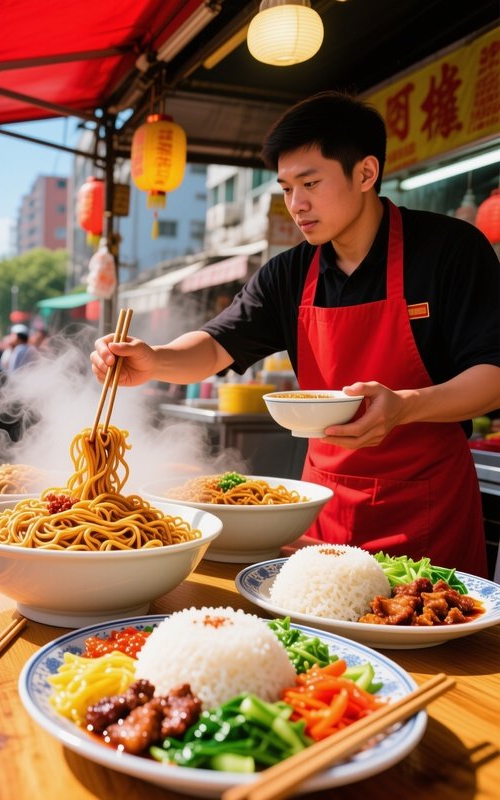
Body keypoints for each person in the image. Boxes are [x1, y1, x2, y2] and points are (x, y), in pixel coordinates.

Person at [91, 91, 500, 577]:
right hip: (322, 508)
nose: (296, 204)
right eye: (286, 188)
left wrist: (407, 406)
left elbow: (493, 374)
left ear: (366, 173)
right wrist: (155, 358)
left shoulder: (449, 250)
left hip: (427, 510)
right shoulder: (288, 273)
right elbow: (217, 344)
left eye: (310, 183)